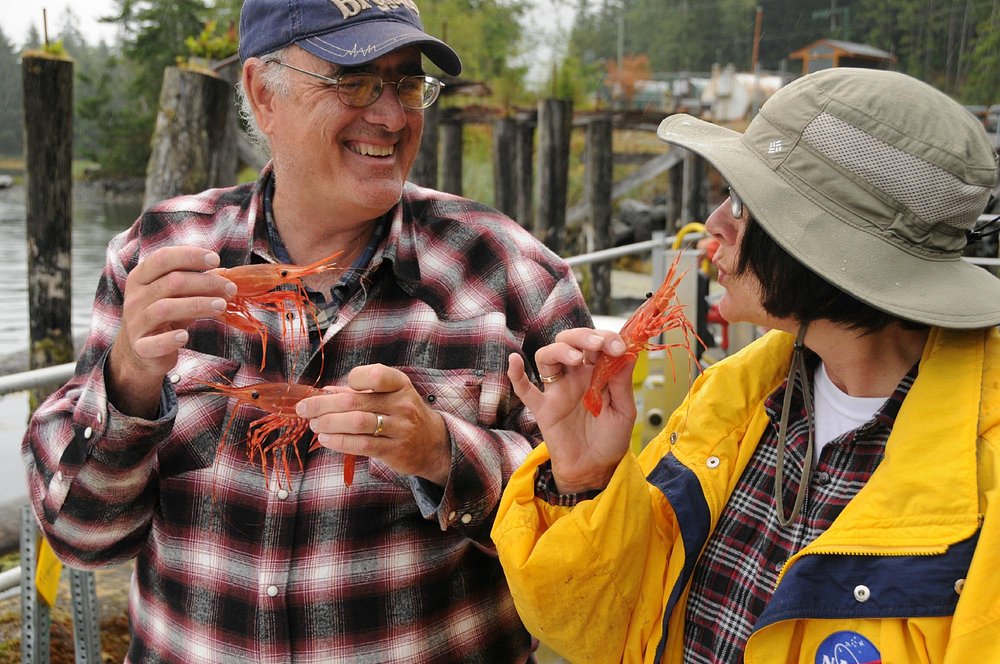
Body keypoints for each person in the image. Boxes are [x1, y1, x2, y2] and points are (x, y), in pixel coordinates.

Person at [22, 1, 591, 661]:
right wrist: (127, 380)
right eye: (354, 81)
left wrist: (444, 454)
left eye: (406, 83)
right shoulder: (155, 252)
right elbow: (80, 536)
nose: (391, 115)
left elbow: (587, 540)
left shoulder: (512, 275)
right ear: (264, 94)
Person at [493, 67, 1000, 663]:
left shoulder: (981, 476)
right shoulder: (730, 400)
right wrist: (585, 479)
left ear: (827, 247)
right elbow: (608, 632)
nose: (714, 223)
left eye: (744, 202)